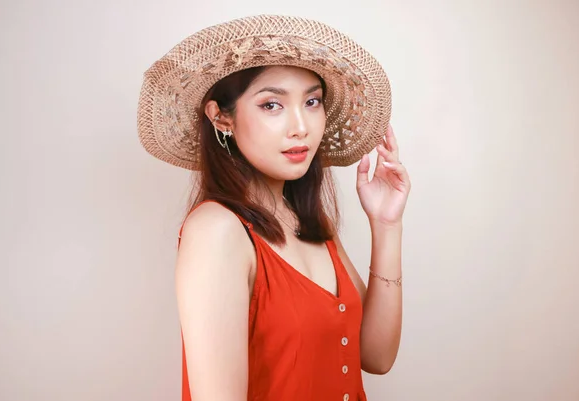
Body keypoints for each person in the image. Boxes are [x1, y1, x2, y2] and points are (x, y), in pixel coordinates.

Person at [137, 14, 411, 401]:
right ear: (222, 117)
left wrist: (386, 225)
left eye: (312, 101)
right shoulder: (216, 231)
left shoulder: (310, 223)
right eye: (271, 105)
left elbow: (377, 355)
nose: (300, 126)